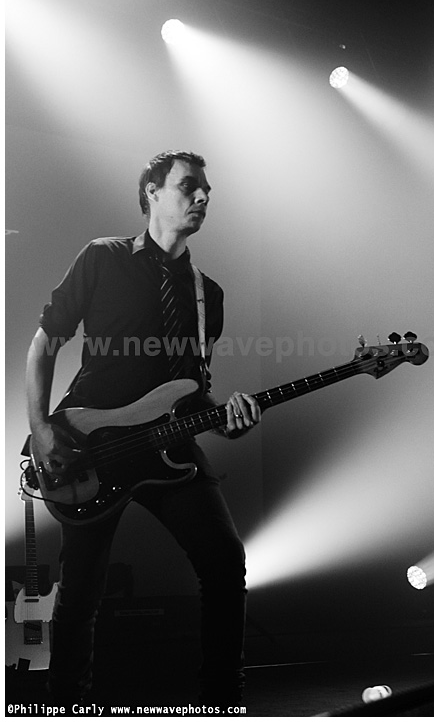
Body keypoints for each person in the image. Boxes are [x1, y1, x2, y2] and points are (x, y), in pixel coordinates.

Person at [25, 150, 261, 707]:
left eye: (207, 191)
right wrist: (41, 427)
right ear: (152, 192)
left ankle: (223, 703)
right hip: (91, 444)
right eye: (189, 186)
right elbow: (46, 342)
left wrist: (228, 421)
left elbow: (192, 391)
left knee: (225, 562)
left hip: (167, 445)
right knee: (81, 590)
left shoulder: (208, 295)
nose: (202, 197)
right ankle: (67, 708)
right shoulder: (102, 258)